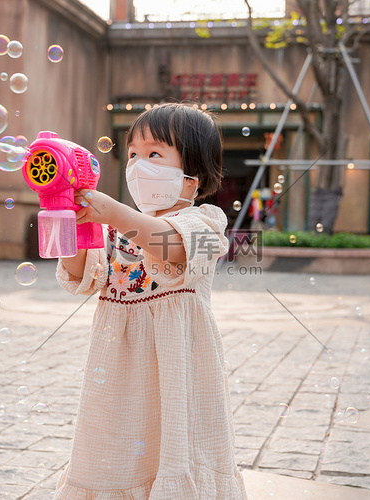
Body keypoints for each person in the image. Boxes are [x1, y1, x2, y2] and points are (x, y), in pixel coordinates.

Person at [54, 103, 247, 499]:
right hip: (118, 370)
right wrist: (66, 218)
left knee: (175, 451)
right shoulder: (116, 229)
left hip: (178, 371)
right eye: (133, 155)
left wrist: (114, 212)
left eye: (154, 154)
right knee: (116, 454)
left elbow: (169, 243)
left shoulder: (206, 221)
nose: (138, 165)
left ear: (192, 178)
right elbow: (81, 272)